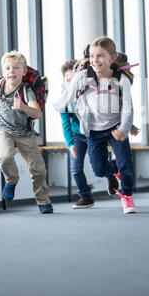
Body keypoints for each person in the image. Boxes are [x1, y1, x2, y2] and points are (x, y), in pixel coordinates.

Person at [54, 37, 137, 214]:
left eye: (100, 56)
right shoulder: (83, 77)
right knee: (99, 170)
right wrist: (53, 104)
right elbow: (66, 97)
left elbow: (128, 108)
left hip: (115, 128)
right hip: (93, 131)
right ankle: (118, 167)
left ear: (112, 58)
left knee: (126, 168)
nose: (95, 60)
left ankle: (128, 198)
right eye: (92, 56)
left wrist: (123, 129)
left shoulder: (121, 79)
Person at [0, 50, 53, 214]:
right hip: (3, 130)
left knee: (38, 169)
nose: (11, 71)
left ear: (24, 71)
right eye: (7, 68)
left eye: (16, 68)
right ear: (3, 71)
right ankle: (11, 180)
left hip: (25, 133)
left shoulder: (26, 90)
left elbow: (37, 113)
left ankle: (43, 201)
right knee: (5, 157)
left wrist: (23, 107)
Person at [60, 59, 95, 209]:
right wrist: (70, 144)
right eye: (68, 80)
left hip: (94, 132)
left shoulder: (89, 92)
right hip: (77, 134)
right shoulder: (63, 98)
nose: (71, 84)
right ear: (63, 80)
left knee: (98, 165)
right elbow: (65, 123)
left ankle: (111, 175)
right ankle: (85, 196)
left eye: (74, 80)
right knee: (75, 168)